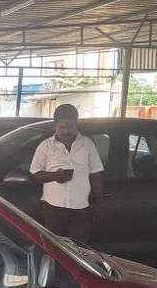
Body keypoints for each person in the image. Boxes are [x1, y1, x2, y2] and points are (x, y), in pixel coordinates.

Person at [29, 104, 104, 243]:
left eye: (70, 126)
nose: (66, 131)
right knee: (55, 247)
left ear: (76, 124)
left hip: (80, 209)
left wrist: (99, 204)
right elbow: (35, 174)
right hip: (53, 209)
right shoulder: (46, 146)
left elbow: (96, 175)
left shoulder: (87, 144)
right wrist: (55, 176)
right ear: (55, 126)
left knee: (78, 248)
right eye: (62, 127)